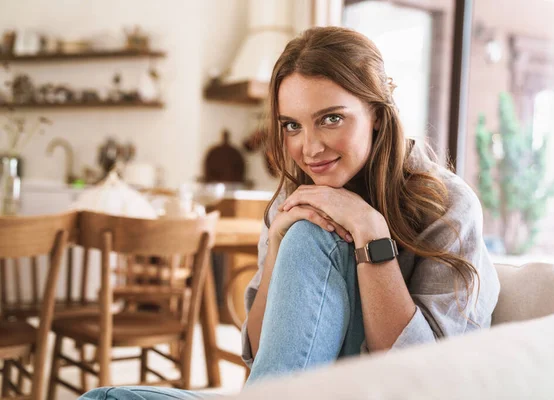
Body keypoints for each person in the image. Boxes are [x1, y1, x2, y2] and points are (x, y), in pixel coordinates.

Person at [81, 26, 500, 400]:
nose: (310, 148)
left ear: (376, 113)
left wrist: (371, 234)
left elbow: (423, 379)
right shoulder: (295, 195)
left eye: (331, 119)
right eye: (292, 126)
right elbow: (266, 360)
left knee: (310, 233)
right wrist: (278, 243)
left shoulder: (446, 206)